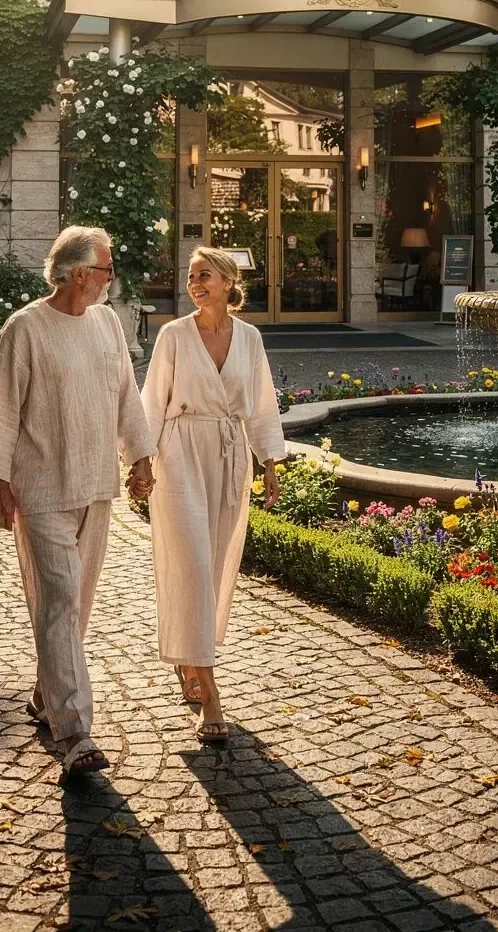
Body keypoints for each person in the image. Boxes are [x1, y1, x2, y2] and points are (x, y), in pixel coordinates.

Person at [0, 225, 156, 783]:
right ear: (78, 274)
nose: (110, 278)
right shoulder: (25, 329)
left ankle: (45, 694)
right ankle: (76, 732)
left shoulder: (106, 323)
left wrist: (140, 457)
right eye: (105, 269)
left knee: (76, 604)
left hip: (96, 483)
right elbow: (1, 407)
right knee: (59, 601)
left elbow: (126, 394)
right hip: (42, 488)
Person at [141, 245, 283, 745]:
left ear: (226, 281)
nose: (194, 283)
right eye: (190, 276)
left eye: (204, 275)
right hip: (179, 455)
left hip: (228, 456)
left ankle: (187, 656)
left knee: (216, 565)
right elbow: (152, 401)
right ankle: (211, 692)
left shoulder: (248, 338)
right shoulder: (173, 335)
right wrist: (139, 461)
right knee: (193, 566)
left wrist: (270, 462)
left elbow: (262, 403)